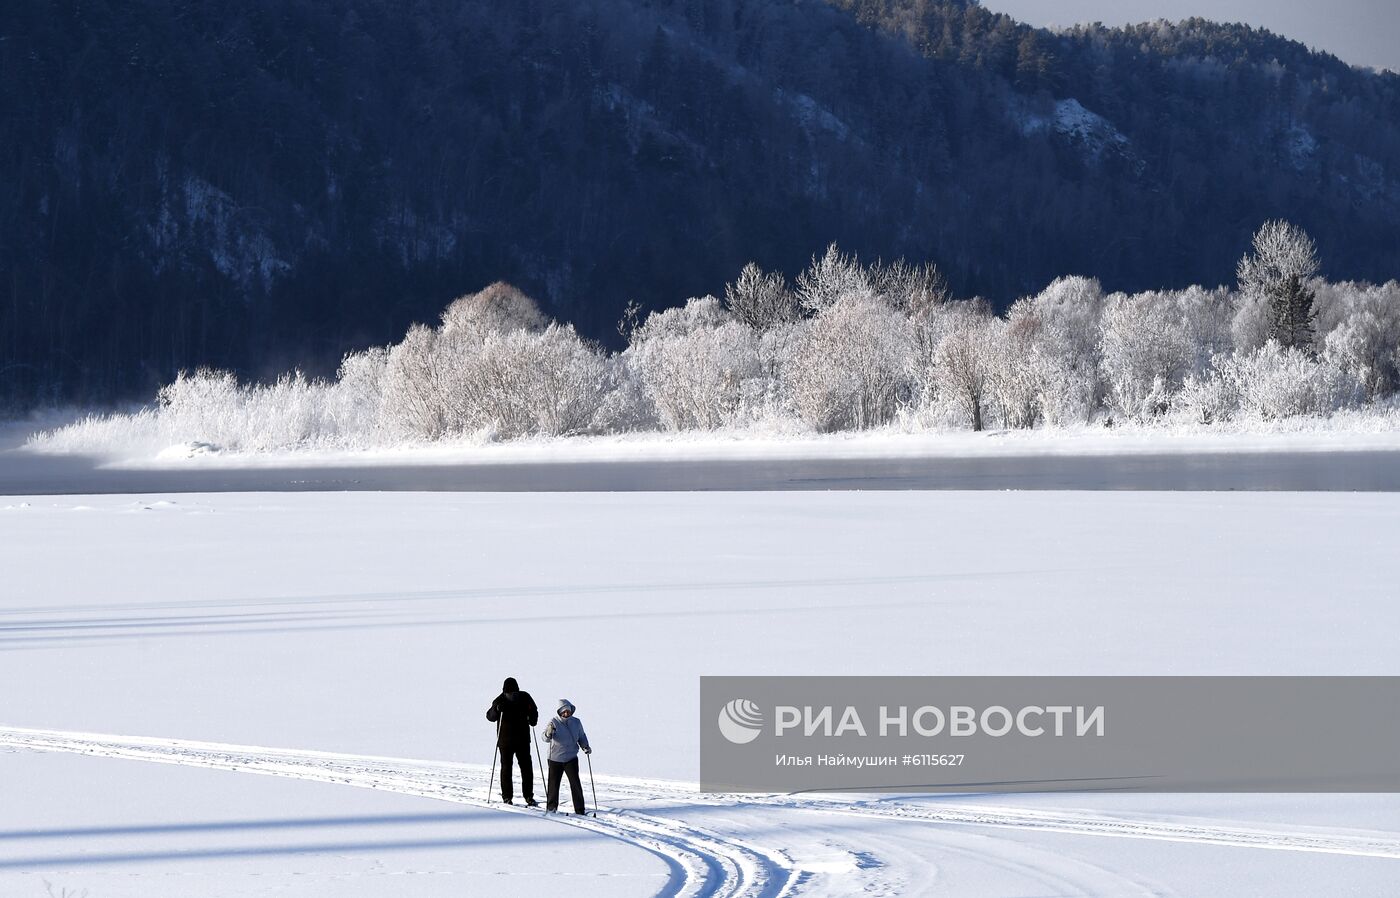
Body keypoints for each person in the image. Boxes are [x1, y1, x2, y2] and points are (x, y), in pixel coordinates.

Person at [486, 677, 539, 806]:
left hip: (523, 740)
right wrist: (496, 709)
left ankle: (528, 796)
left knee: (526, 769)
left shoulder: (525, 697)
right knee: (506, 769)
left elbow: (534, 713)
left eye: (514, 693)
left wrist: (532, 717)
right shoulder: (499, 700)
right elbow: (490, 717)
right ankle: (507, 797)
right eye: (509, 693)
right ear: (504, 692)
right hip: (505, 742)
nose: (512, 696)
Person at [542, 698, 591, 815]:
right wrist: (548, 732)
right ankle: (551, 808)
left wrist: (585, 746)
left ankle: (580, 809)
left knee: (575, 783)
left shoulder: (576, 722)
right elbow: (545, 738)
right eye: (563, 711)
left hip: (571, 758)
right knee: (553, 785)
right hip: (555, 759)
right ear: (559, 712)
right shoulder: (553, 722)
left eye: (568, 711)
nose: (566, 713)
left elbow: (581, 736)